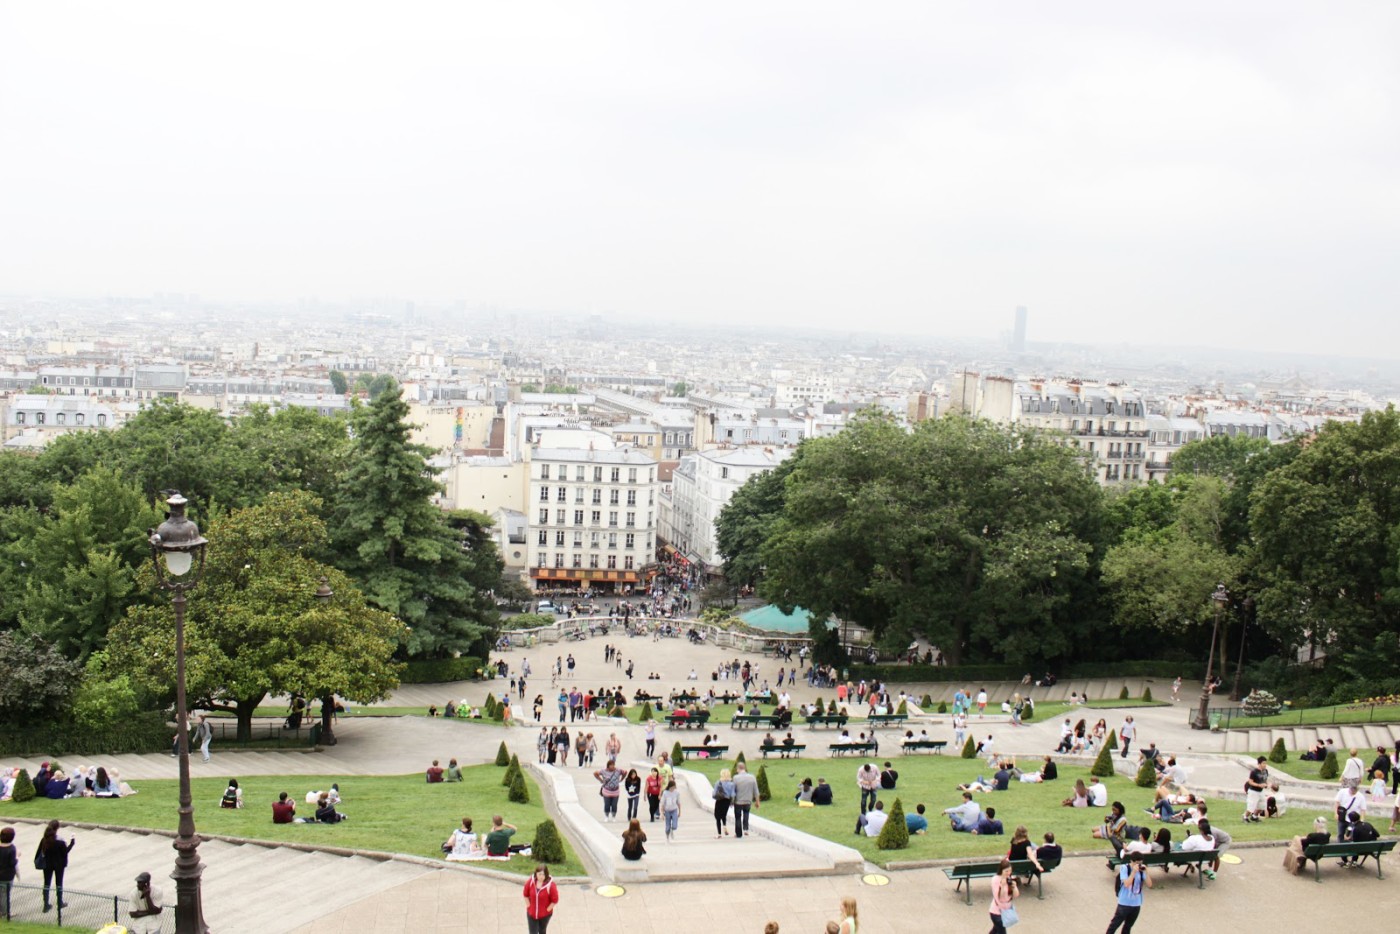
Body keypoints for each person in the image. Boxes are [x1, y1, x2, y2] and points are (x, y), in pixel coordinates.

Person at [1105, 851, 1153, 933]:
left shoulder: (1141, 871)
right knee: (1114, 925)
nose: (1138, 866)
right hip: (1124, 903)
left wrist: (1146, 872)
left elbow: (1150, 885)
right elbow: (1127, 884)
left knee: (1128, 926)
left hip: (1136, 903)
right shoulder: (1125, 868)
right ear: (1131, 861)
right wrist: (1133, 872)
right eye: (1137, 863)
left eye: (1140, 863)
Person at [37, 819, 74, 912]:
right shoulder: (60, 841)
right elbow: (65, 852)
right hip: (59, 865)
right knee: (59, 883)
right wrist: (72, 844)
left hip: (47, 865)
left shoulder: (44, 840)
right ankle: (60, 902)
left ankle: (45, 904)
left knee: (46, 884)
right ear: (57, 828)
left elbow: (40, 852)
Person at [523, 864, 559, 934]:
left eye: (543, 874)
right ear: (536, 874)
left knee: (542, 931)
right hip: (532, 914)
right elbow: (525, 894)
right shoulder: (530, 882)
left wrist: (547, 909)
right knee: (533, 932)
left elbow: (555, 900)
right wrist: (529, 906)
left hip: (545, 915)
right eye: (539, 874)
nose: (541, 877)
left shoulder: (551, 886)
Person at [988, 858, 1017, 934]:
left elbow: (1015, 895)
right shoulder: (995, 880)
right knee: (1001, 931)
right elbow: (999, 898)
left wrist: (1014, 887)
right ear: (1001, 870)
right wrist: (1003, 886)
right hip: (996, 912)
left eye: (1010, 871)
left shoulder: (1009, 878)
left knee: (995, 929)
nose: (1008, 873)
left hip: (1006, 910)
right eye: (1006, 871)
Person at [732, 761, 760, 838]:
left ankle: (738, 833)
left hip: (738, 801)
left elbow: (733, 791)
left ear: (738, 768)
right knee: (746, 813)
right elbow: (756, 791)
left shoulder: (735, 778)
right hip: (748, 800)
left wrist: (731, 801)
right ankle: (746, 829)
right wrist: (757, 802)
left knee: (738, 817)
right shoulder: (752, 777)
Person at [1244, 756, 1268, 822]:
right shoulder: (1254, 772)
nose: (1265, 765)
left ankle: (1254, 816)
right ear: (1259, 764)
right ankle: (1245, 817)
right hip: (1253, 791)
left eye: (1265, 763)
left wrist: (1266, 785)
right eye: (1263, 763)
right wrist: (1258, 785)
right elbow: (1250, 782)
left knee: (1262, 805)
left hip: (1261, 791)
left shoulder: (1265, 771)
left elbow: (1265, 780)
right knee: (1251, 806)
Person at [712, 768, 736, 837]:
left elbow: (714, 794)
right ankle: (724, 826)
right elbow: (733, 795)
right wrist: (732, 802)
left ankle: (719, 834)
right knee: (723, 814)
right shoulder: (732, 784)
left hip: (719, 801)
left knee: (717, 817)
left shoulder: (718, 782)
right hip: (727, 801)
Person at [0, 826, 17, 918]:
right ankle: (5, 912)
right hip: (7, 875)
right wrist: (17, 858)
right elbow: (12, 863)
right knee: (5, 895)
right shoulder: (11, 848)